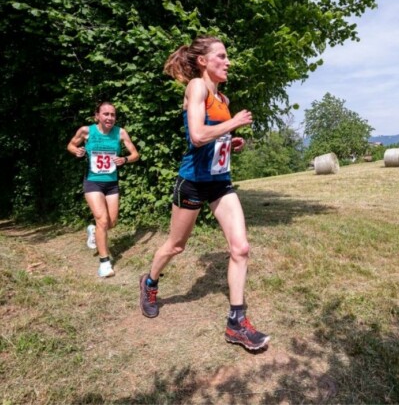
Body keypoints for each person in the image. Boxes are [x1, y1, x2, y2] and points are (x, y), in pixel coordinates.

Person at [139, 35, 270, 351]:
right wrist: (233, 123)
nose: (228, 62)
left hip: (220, 182)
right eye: (221, 56)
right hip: (193, 182)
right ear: (203, 61)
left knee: (240, 248)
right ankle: (150, 282)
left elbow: (213, 138)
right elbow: (197, 136)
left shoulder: (223, 98)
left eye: (227, 57)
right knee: (176, 245)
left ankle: (236, 323)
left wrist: (229, 142)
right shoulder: (197, 87)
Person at [67, 102, 139, 278]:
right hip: (93, 182)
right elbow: (71, 145)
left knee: (111, 222)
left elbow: (135, 154)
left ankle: (93, 231)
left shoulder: (120, 132)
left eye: (112, 115)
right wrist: (76, 151)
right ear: (97, 116)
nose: (110, 117)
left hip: (111, 183)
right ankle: (104, 263)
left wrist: (125, 159)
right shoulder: (86, 131)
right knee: (102, 219)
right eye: (106, 114)